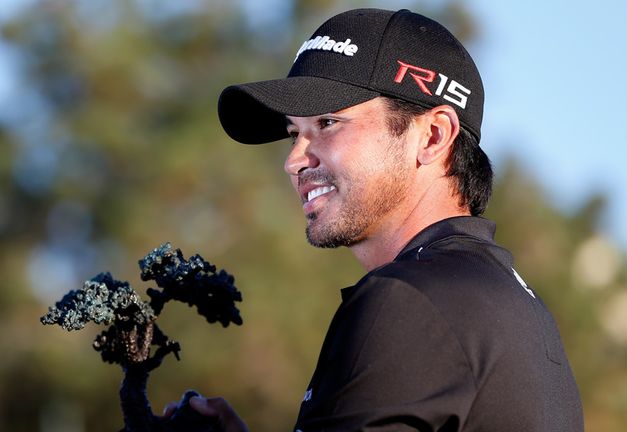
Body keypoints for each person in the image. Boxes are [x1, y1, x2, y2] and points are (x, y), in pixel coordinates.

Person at [167, 8, 584, 431]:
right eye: (295, 133)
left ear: (433, 136)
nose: (293, 161)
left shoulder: (407, 300)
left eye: (328, 123)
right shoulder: (522, 313)